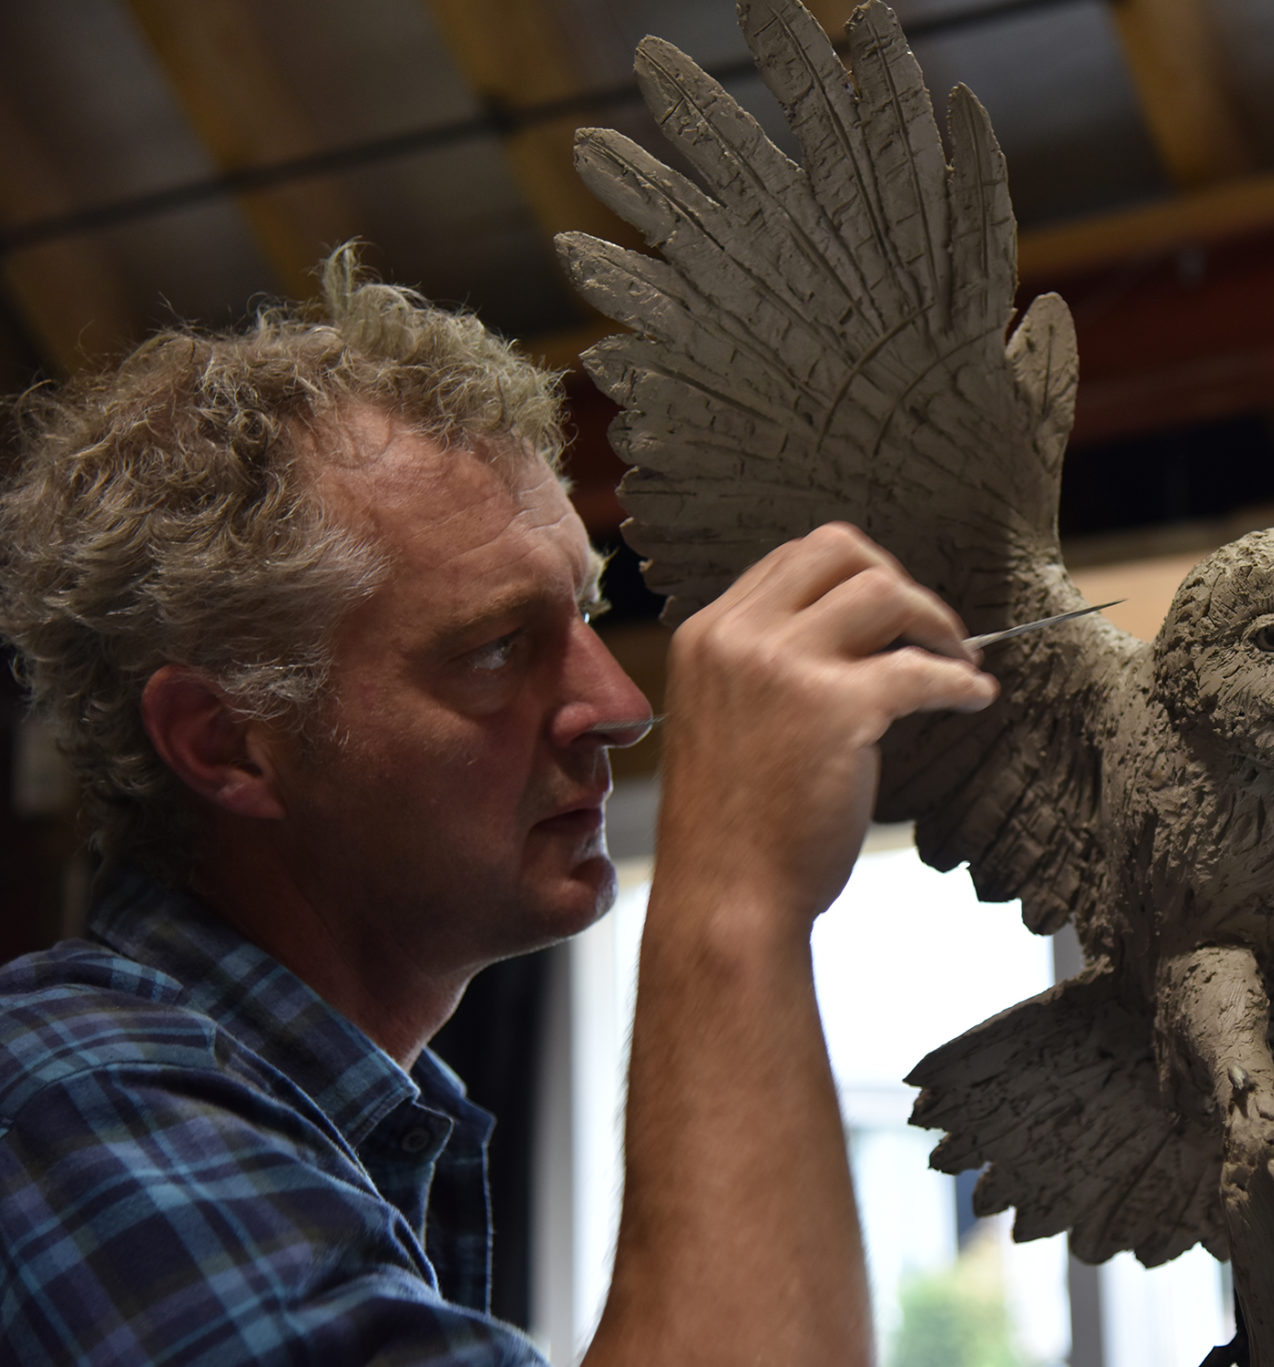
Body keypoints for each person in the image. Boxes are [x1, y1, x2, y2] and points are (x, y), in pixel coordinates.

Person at [0, 247, 999, 1365]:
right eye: (491, 649)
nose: (619, 706)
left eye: (580, 613)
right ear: (224, 739)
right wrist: (733, 898)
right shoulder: (60, 1095)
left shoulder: (350, 1118)